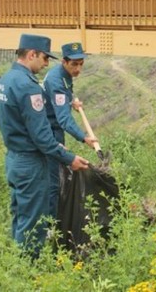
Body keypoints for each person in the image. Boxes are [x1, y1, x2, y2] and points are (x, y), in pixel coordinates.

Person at [0, 34, 90, 257]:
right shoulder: (29, 87)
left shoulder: (5, 80)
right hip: (30, 163)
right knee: (34, 223)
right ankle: (28, 272)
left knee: (20, 215)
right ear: (32, 54)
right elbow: (42, 136)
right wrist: (69, 158)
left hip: (14, 159)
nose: (46, 64)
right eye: (44, 58)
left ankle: (17, 263)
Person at [43, 42, 96, 218]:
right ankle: (51, 226)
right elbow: (64, 119)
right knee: (53, 181)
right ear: (64, 62)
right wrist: (83, 137)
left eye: (81, 63)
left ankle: (56, 215)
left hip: (54, 127)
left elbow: (62, 97)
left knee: (56, 176)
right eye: (74, 64)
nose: (78, 68)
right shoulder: (56, 81)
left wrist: (71, 101)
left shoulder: (64, 76)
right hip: (51, 132)